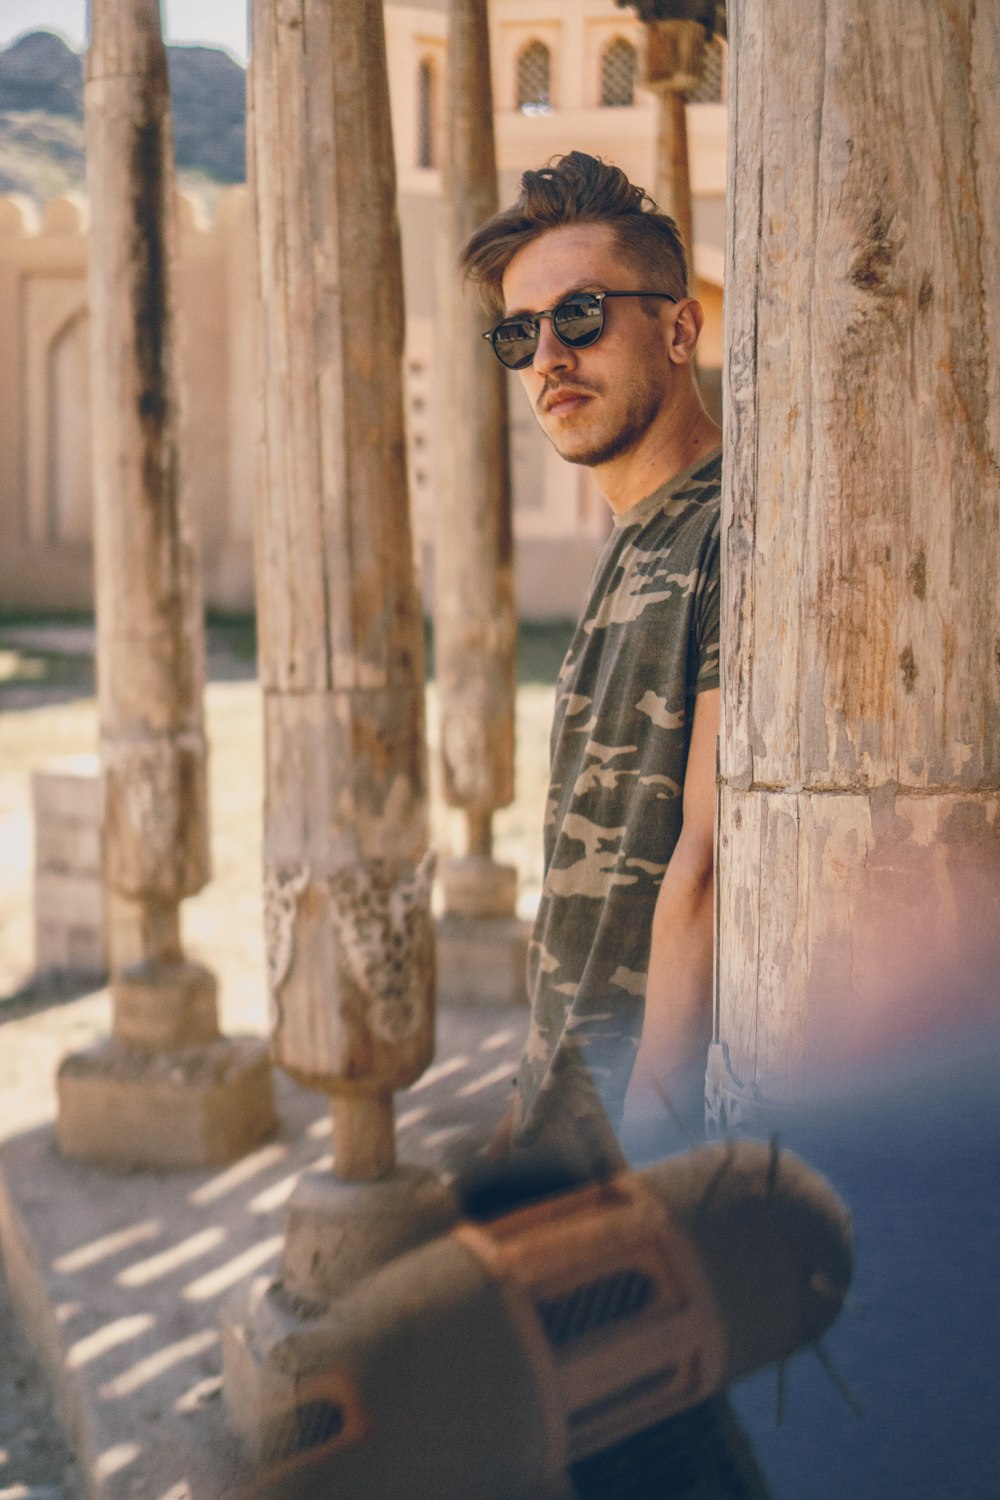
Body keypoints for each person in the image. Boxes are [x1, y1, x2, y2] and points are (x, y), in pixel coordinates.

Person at [461, 151, 722, 1174]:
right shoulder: (640, 535)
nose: (546, 359)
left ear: (677, 325)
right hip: (564, 1124)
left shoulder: (732, 526)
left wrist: (647, 1159)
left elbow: (705, 866)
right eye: (518, 335)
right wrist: (532, 1100)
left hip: (635, 1150)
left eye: (579, 316)